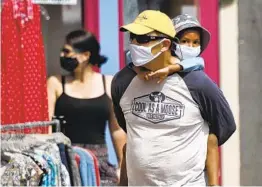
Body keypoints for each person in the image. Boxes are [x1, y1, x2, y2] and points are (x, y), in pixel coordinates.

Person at [111, 10, 236, 186]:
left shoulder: (198, 83)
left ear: (165, 44)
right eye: (132, 37)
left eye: (143, 39)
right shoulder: (122, 81)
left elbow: (224, 127)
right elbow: (129, 130)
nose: (134, 43)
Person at [132, 14, 220, 185]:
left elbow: (223, 127)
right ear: (171, 44)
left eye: (195, 43)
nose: (190, 46)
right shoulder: (138, 77)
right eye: (185, 41)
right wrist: (140, 72)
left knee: (211, 139)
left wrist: (172, 69)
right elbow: (132, 60)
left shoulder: (197, 76)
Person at [47, 29, 126, 186]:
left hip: (99, 165)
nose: (62, 55)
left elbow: (117, 130)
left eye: (67, 51)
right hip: (64, 161)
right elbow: (47, 126)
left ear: (86, 55)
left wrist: (122, 169)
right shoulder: (56, 83)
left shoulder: (109, 84)